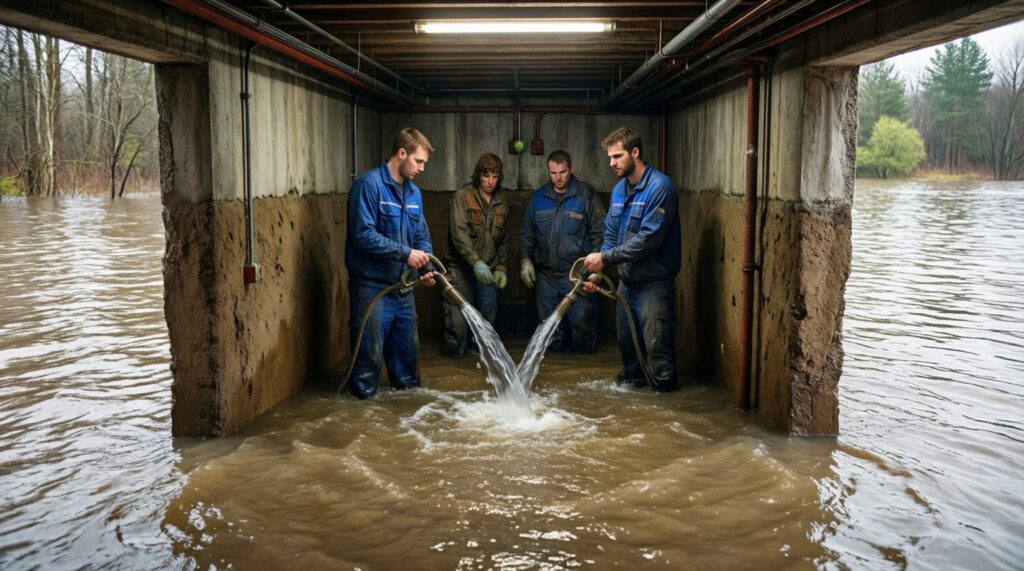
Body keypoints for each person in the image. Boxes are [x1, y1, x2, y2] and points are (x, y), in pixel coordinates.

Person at [582, 127, 681, 392]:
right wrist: (595, 273)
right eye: (610, 158)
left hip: (653, 287)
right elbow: (611, 234)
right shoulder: (618, 191)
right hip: (627, 286)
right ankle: (634, 419)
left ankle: (666, 414)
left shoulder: (660, 188)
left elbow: (648, 240)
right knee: (629, 357)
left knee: (658, 356)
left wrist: (605, 258)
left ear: (635, 152)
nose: (612, 163)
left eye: (617, 156)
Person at [345, 127, 437, 399]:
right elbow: (362, 235)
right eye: (418, 161)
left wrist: (426, 267)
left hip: (403, 291)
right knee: (366, 370)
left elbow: (421, 235)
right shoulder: (368, 185)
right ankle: (363, 426)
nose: (421, 168)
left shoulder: (414, 193)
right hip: (372, 290)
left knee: (408, 370)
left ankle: (405, 430)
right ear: (401, 153)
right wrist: (405, 254)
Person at [520, 150, 606, 353]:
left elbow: (600, 234)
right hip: (546, 278)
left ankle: (582, 377)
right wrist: (526, 261)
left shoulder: (586, 195)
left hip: (577, 276)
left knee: (582, 331)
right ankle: (557, 378)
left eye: (563, 172)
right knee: (548, 336)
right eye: (553, 173)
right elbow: (527, 235)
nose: (558, 178)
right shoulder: (538, 198)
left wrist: (596, 271)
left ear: (571, 169)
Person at [443, 153, 511, 356]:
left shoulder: (502, 202)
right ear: (478, 175)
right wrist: (475, 262)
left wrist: (501, 267)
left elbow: (505, 239)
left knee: (486, 328)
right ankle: (455, 370)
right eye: (486, 175)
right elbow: (459, 234)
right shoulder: (462, 197)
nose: (490, 181)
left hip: (487, 273)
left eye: (495, 176)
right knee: (457, 325)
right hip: (461, 271)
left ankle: (479, 373)